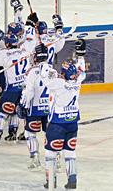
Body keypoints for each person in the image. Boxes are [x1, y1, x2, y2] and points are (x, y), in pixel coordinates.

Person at [41, 61, 86, 190]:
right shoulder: (78, 82)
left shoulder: (58, 84)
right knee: (70, 152)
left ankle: (51, 181)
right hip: (72, 124)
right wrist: (80, 56)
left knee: (51, 154)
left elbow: (45, 76)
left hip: (57, 125)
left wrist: (43, 62)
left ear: (64, 74)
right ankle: (72, 180)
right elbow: (82, 71)